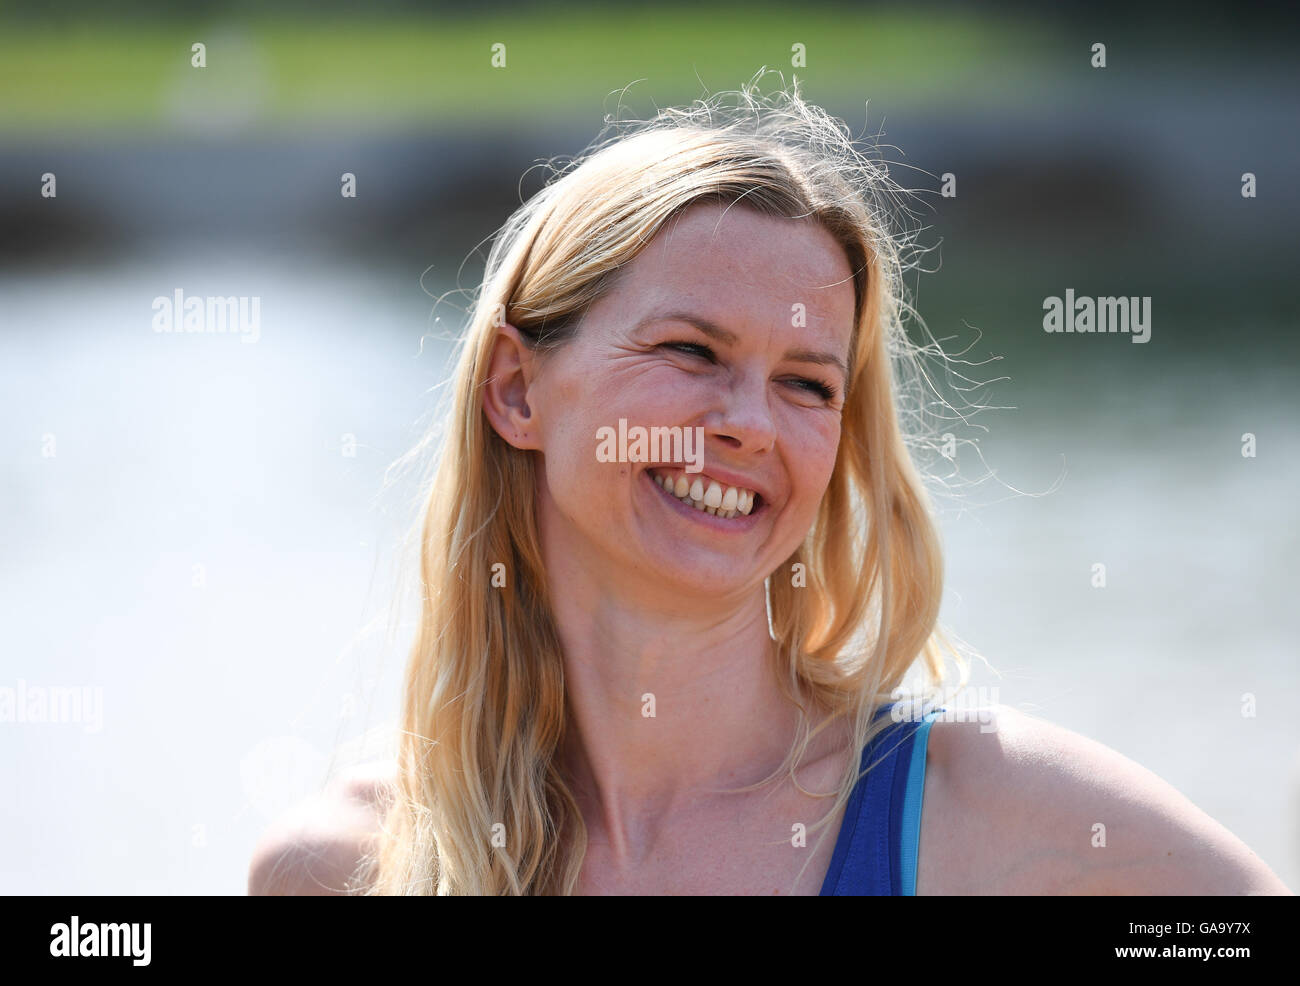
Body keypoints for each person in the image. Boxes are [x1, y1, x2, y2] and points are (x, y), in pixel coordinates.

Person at [248, 75, 1291, 896]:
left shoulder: (1004, 816)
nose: (748, 424)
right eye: (692, 351)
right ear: (518, 388)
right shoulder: (344, 868)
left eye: (805, 383)